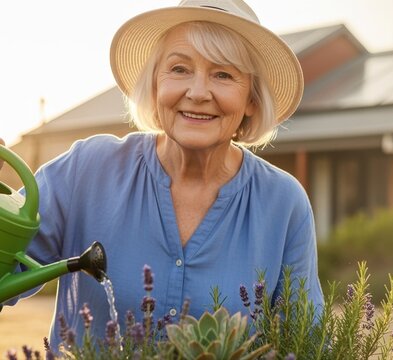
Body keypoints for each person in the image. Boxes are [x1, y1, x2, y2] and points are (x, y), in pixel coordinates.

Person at [1, 0, 323, 346]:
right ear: (155, 86)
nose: (198, 93)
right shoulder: (87, 170)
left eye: (223, 74)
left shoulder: (283, 203)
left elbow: (305, 344)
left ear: (252, 101)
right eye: (180, 69)